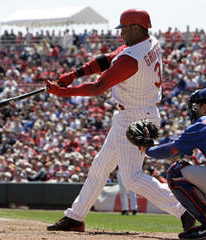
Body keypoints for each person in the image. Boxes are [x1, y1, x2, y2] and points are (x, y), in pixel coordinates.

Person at [46, 9, 194, 232]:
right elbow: (107, 59)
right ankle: (75, 216)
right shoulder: (149, 41)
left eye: (124, 29)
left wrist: (63, 92)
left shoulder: (131, 58)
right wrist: (74, 74)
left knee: (132, 177)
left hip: (136, 117)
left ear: (136, 28)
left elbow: (98, 87)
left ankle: (184, 209)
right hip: (134, 113)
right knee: (100, 166)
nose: (121, 33)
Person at [138, 88, 206, 239]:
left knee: (176, 171)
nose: (194, 111)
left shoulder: (202, 124)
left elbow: (170, 150)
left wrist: (148, 149)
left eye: (197, 107)